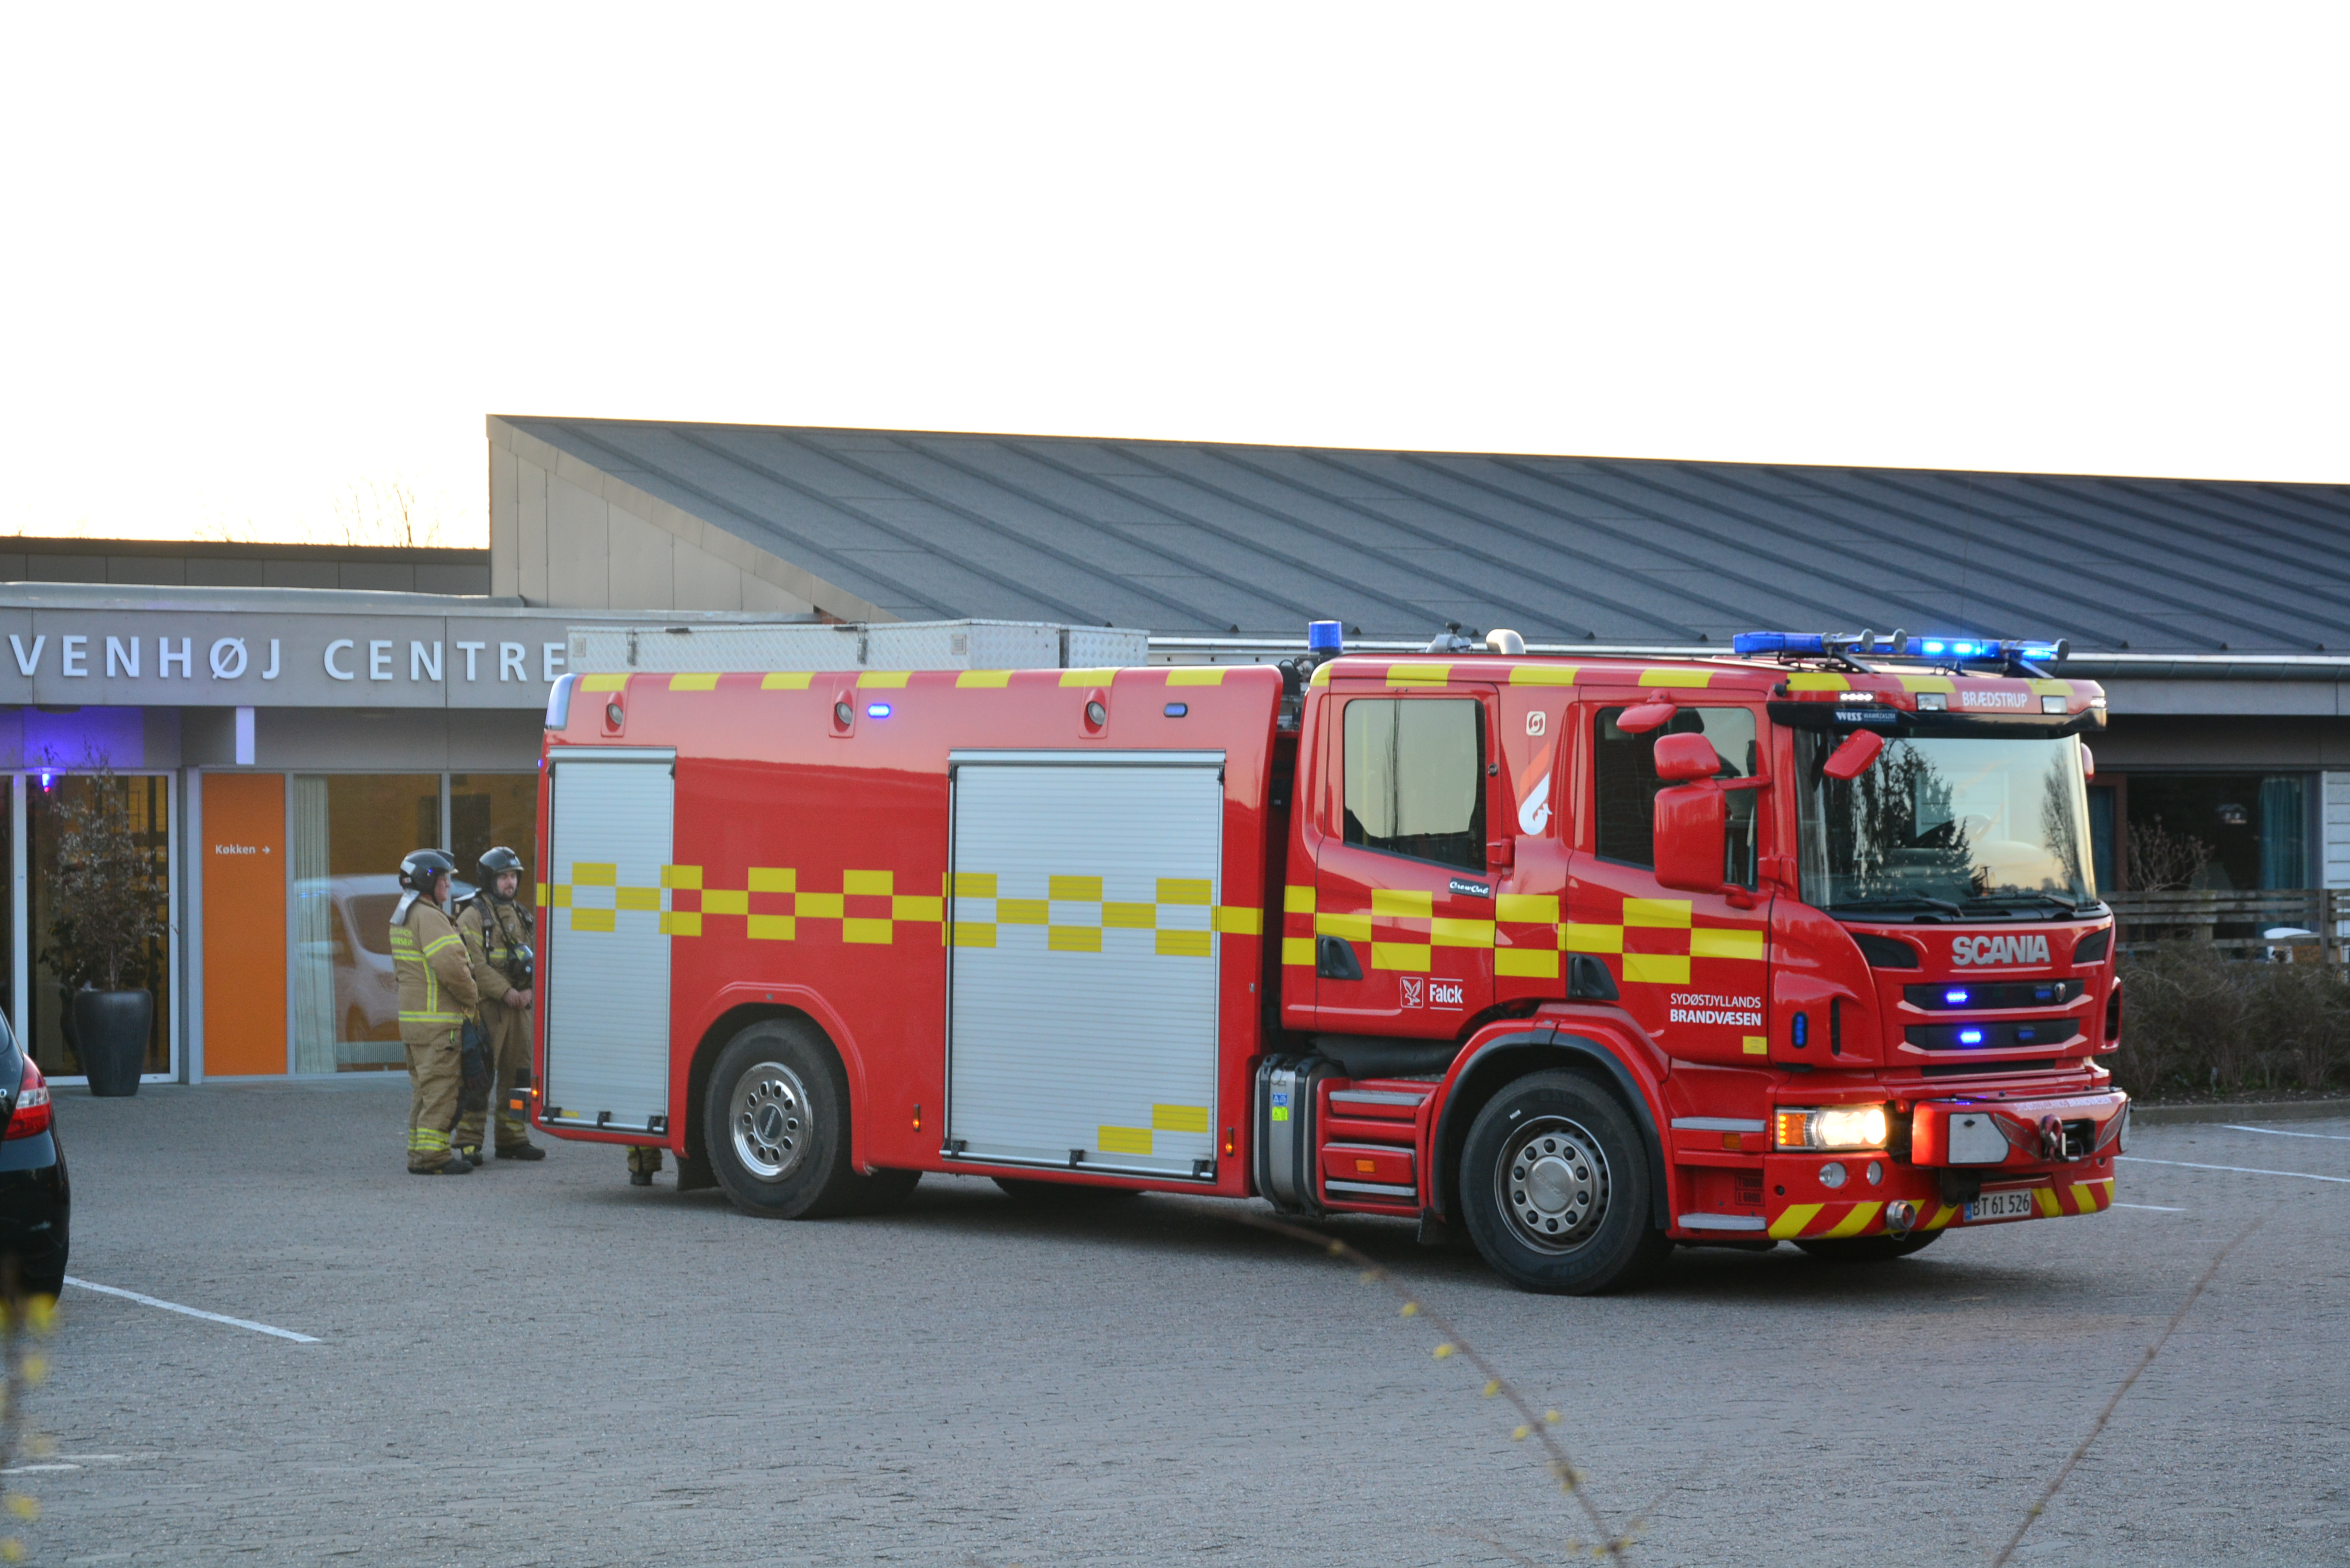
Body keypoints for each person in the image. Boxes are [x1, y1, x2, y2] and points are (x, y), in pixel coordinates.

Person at [390, 848, 480, 1176]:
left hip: (414, 1023)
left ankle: (418, 1154)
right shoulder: (429, 917)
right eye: (445, 879)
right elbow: (452, 968)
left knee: (424, 1093)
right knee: (442, 1092)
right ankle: (434, 1156)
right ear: (429, 882)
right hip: (439, 1025)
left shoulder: (403, 914)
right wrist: (472, 998)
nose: (449, 886)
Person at [452, 846, 545, 1163]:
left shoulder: (522, 915)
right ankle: (468, 1141)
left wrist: (530, 991)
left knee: (519, 1076)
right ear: (489, 880)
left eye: (514, 876)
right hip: (489, 1009)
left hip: (520, 1009)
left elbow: (539, 956)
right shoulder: (472, 916)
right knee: (479, 1078)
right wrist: (506, 992)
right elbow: (474, 964)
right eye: (503, 877)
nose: (510, 883)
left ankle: (512, 1138)